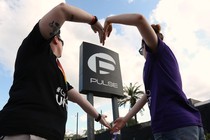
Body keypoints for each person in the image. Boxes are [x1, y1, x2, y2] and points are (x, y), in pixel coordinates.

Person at [0, 3, 111, 140]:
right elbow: (63, 10)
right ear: (56, 39)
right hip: (24, 131)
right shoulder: (36, 47)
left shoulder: (59, 73)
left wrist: (99, 117)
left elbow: (80, 100)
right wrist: (93, 20)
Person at [103, 14, 205, 140]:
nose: (143, 54)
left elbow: (139, 19)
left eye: (141, 50)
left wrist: (109, 20)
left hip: (173, 126)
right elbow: (147, 95)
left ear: (145, 45)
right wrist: (125, 119)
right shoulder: (159, 66)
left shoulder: (158, 51)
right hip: (183, 124)